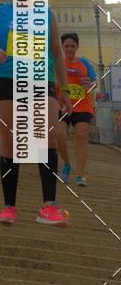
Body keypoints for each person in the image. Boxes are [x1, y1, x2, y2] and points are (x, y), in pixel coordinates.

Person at [0, 0, 72, 225]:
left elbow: (58, 53)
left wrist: (66, 89)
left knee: (46, 138)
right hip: (7, 80)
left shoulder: (46, 14)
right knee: (10, 142)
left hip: (42, 80)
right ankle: (9, 207)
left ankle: (49, 206)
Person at [56, 32, 96, 186]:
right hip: (63, 105)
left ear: (77, 47)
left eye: (72, 46)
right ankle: (66, 164)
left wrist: (91, 84)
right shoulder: (58, 63)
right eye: (67, 46)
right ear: (62, 47)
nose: (70, 49)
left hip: (82, 104)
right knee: (59, 134)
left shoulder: (84, 63)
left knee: (81, 136)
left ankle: (80, 175)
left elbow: (94, 81)